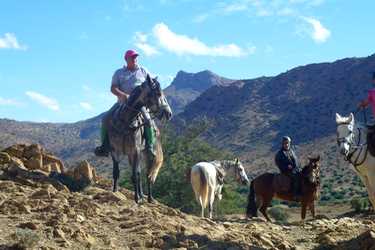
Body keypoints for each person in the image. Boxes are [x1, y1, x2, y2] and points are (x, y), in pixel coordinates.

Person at [94, 49, 155, 157]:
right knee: (105, 119)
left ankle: (150, 147)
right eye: (132, 57)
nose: (135, 59)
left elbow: (151, 85)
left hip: (139, 105)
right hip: (122, 103)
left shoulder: (143, 71)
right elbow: (113, 88)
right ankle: (105, 146)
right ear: (126, 59)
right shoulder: (119, 73)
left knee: (148, 120)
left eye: (136, 57)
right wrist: (122, 95)